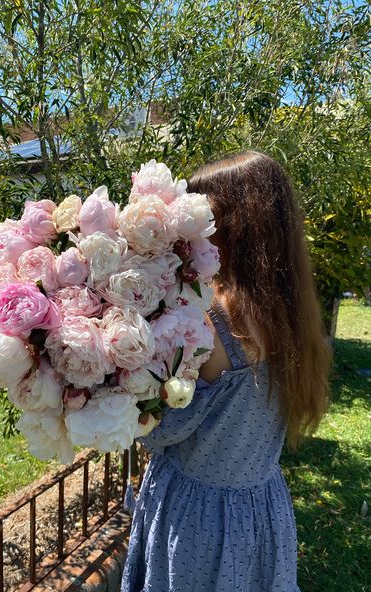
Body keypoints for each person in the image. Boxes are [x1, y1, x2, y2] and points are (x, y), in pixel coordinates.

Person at [120, 150, 331, 592]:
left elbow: (160, 431)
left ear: (232, 227)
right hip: (262, 507)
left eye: (202, 218)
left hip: (198, 518)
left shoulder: (209, 319)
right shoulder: (294, 317)